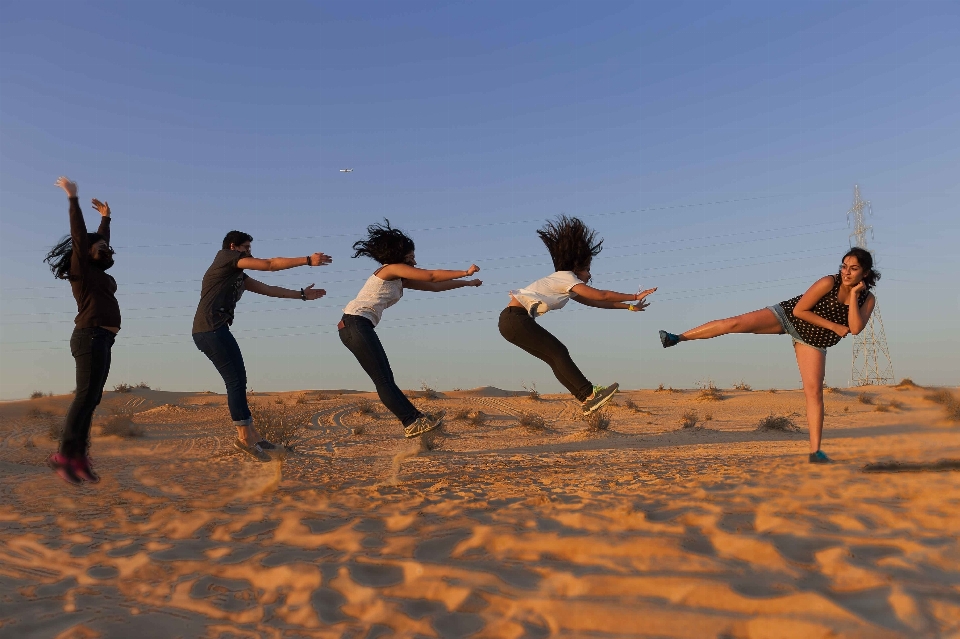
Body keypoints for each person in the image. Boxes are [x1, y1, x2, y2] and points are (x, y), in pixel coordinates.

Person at [658, 247, 878, 463]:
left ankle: (816, 452)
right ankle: (677, 338)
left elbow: (855, 328)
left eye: (853, 268)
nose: (846, 272)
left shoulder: (866, 299)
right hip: (787, 317)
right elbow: (799, 311)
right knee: (733, 323)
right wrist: (833, 326)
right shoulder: (828, 282)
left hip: (812, 341)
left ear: (864, 273)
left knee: (814, 393)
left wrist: (853, 294)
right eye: (844, 266)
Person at [192, 231, 331, 460]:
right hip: (210, 330)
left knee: (239, 379)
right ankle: (244, 438)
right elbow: (269, 264)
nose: (250, 251)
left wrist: (301, 295)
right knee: (235, 380)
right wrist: (307, 260)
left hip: (214, 330)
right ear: (234, 247)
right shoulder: (226, 257)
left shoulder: (238, 275)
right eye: (246, 247)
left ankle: (253, 436)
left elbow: (269, 290)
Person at [499, 216, 656, 415]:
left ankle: (586, 400)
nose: (589, 275)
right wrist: (634, 295)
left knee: (554, 356)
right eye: (588, 269)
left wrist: (629, 307)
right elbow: (602, 294)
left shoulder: (566, 287)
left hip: (512, 323)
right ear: (577, 267)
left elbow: (596, 302)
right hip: (515, 319)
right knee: (559, 352)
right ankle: (589, 394)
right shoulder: (566, 277)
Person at [340, 220, 481, 438]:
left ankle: (415, 418)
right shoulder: (391, 269)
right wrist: (465, 272)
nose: (415, 260)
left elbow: (434, 286)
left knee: (386, 378)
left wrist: (467, 284)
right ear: (401, 255)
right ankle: (411, 421)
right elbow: (432, 275)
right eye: (411, 256)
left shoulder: (398, 278)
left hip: (356, 325)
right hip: (355, 323)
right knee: (384, 380)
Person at [44, 176, 119, 485]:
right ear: (87, 252)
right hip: (89, 336)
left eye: (108, 247)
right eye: (101, 247)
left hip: (103, 338)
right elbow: (81, 238)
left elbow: (98, 241)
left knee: (92, 399)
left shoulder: (97, 268)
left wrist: (106, 219)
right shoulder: (82, 269)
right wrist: (72, 198)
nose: (107, 249)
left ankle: (77, 455)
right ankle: (64, 454)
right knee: (85, 396)